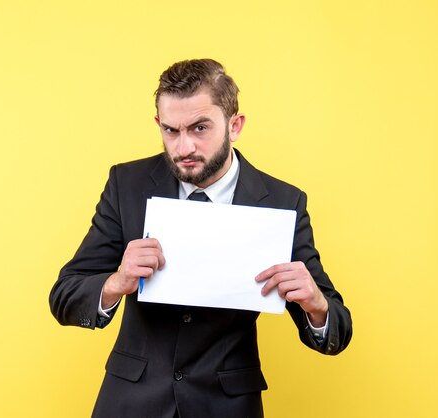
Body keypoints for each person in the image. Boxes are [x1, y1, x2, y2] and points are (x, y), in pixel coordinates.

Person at [49, 58, 353, 418]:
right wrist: (116, 283)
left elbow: (337, 327)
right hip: (132, 403)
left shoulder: (284, 202)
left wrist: (316, 306)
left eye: (199, 128)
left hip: (226, 405)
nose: (183, 148)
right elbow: (65, 295)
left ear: (234, 125)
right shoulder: (126, 185)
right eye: (171, 131)